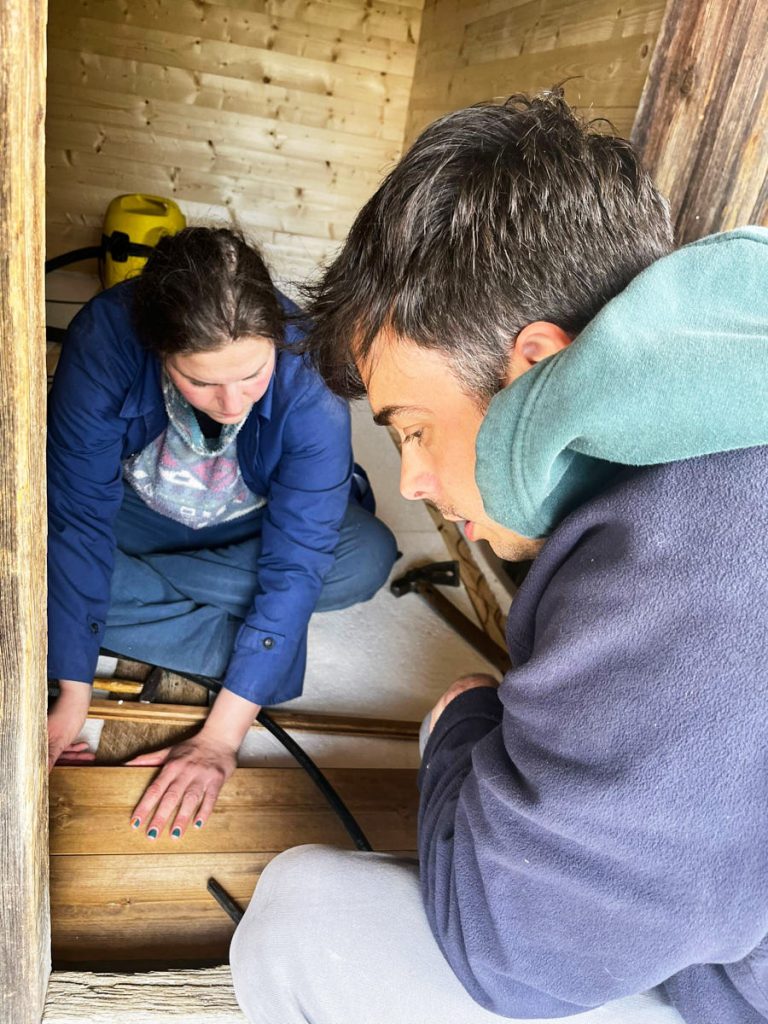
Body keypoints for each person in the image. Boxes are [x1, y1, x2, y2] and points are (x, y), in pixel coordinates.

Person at [228, 92, 768, 1024]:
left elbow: (515, 949)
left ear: (535, 365)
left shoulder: (681, 555)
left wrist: (459, 732)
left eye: (414, 430)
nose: (412, 482)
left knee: (300, 919)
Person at [46, 226, 398, 837]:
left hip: (250, 521)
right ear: (160, 350)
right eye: (202, 381)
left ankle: (123, 606)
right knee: (40, 540)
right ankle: (249, 645)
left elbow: (298, 559)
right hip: (138, 512)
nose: (231, 403)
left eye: (251, 375)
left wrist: (221, 737)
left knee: (366, 556)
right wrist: (72, 690)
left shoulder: (308, 372)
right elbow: (80, 518)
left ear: (275, 344)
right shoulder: (105, 340)